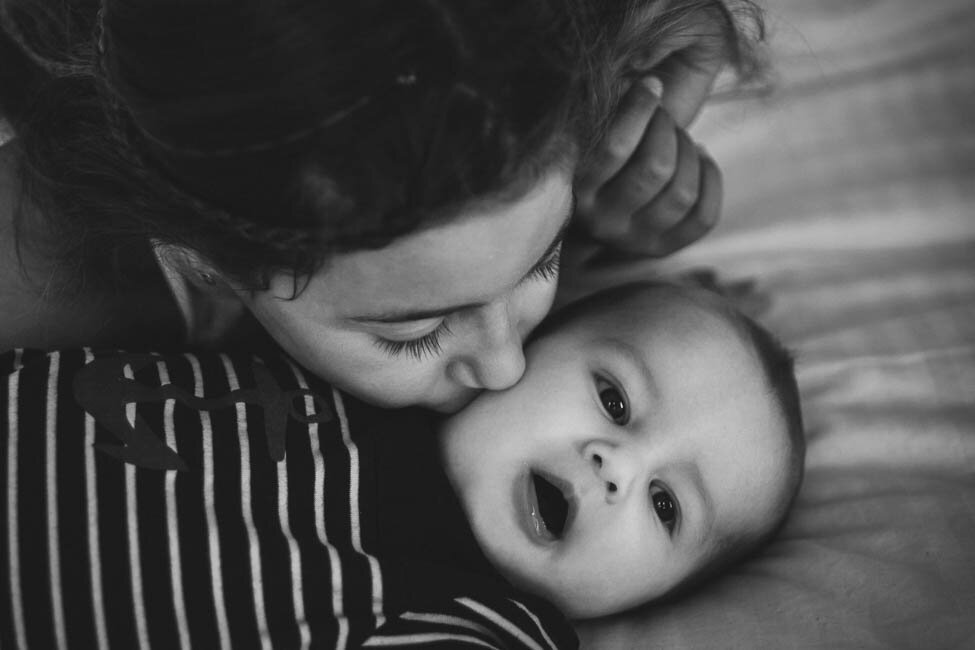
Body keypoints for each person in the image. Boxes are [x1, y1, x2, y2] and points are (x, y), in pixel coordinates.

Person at [0, 0, 766, 412]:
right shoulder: (43, 301)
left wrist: (600, 231)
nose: (505, 366)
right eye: (413, 334)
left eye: (547, 254)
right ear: (206, 259)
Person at [0, 281, 805, 648]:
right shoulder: (361, 355)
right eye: (615, 400)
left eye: (666, 508)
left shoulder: (488, 620)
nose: (615, 466)